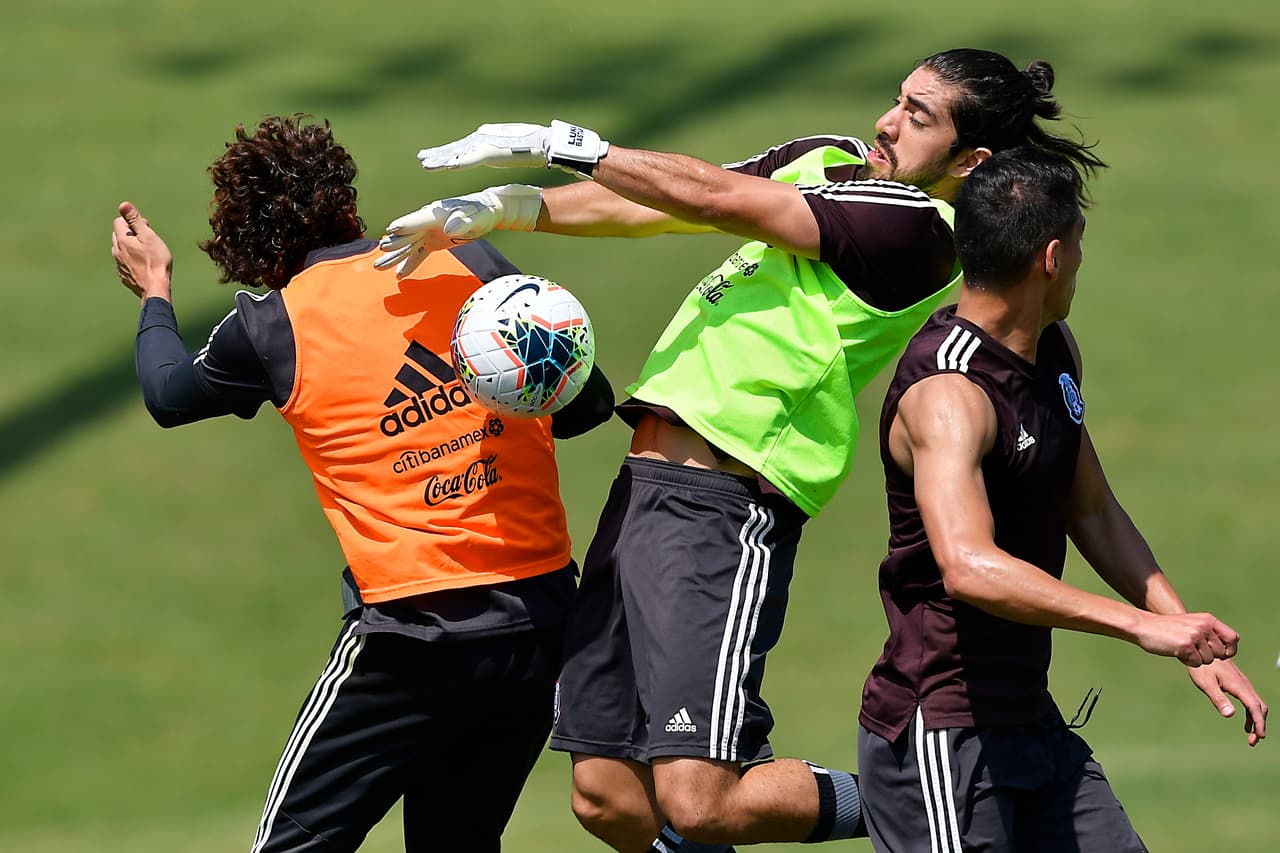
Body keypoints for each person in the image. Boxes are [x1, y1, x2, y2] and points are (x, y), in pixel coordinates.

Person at [379, 49, 1105, 853]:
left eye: (919, 116)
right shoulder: (831, 161)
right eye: (897, 100)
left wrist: (568, 142)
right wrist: (503, 208)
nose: (886, 122)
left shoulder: (923, 234)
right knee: (606, 792)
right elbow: (664, 200)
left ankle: (903, 801)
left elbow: (718, 198)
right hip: (648, 485)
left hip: (728, 502)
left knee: (700, 799)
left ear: (970, 162)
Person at [110, 114, 614, 853]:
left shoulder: (270, 325)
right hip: (539, 628)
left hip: (412, 642)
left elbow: (166, 393)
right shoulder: (469, 259)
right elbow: (587, 406)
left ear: (250, 245)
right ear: (346, 199)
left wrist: (154, 287)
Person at [858, 146, 1268, 851]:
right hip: (946, 737)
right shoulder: (948, 394)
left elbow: (1093, 509)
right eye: (1078, 243)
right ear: (1050, 257)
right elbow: (967, 564)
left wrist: (1186, 632)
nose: (1081, 259)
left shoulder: (1051, 351)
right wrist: (1135, 626)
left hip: (1029, 724)